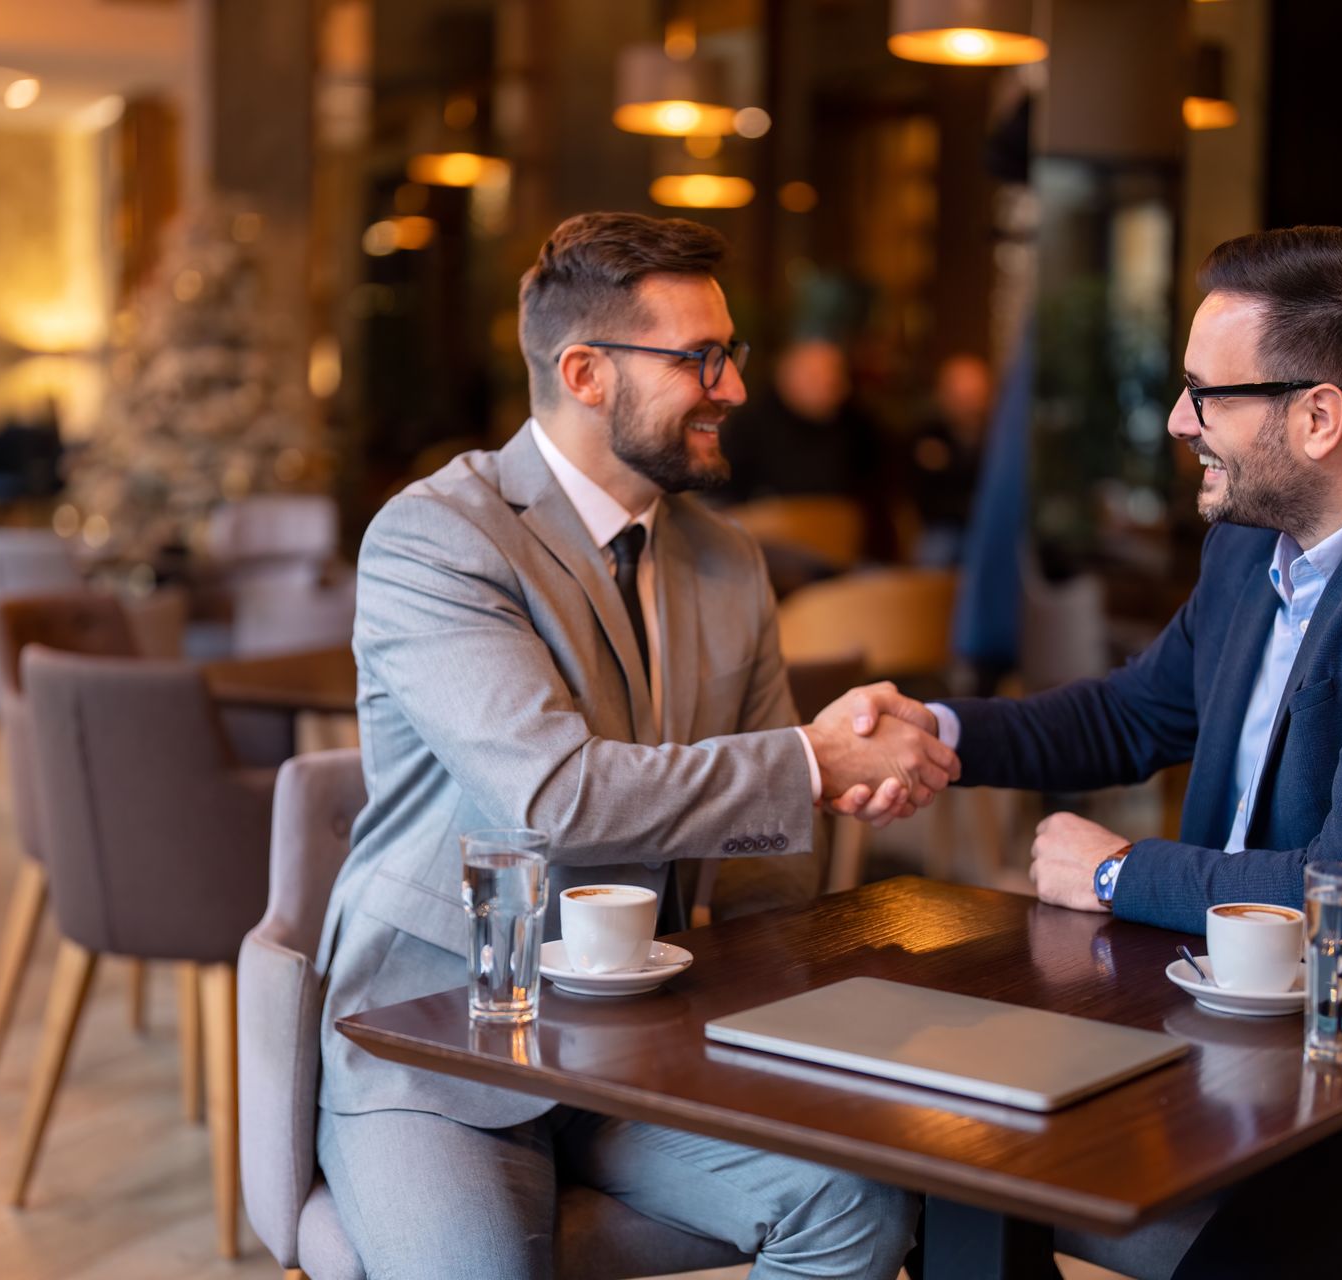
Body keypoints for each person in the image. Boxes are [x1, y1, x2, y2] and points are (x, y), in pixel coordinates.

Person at [838, 226, 1342, 1278]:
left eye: (1206, 393)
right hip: (1201, 1028)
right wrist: (940, 729)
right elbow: (1134, 713)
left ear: (1320, 415)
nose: (1176, 419)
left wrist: (1115, 870)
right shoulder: (1249, 545)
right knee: (943, 1153)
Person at [313, 212, 953, 1280]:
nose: (735, 387)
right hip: (442, 1041)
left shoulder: (727, 560)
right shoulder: (439, 536)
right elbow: (553, 794)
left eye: (732, 354)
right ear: (584, 372)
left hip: (647, 1047)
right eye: (701, 358)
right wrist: (810, 762)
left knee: (859, 1206)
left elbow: (768, 850)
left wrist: (792, 995)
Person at [715, 336, 887, 509]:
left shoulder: (858, 427)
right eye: (815, 377)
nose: (829, 385)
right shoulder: (749, 427)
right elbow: (727, 498)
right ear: (786, 377)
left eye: (834, 377)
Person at [908, 352, 991, 567]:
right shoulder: (926, 436)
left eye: (974, 393)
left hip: (991, 526)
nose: (968, 402)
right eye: (960, 394)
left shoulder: (999, 439)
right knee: (935, 551)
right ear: (944, 394)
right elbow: (926, 494)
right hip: (944, 527)